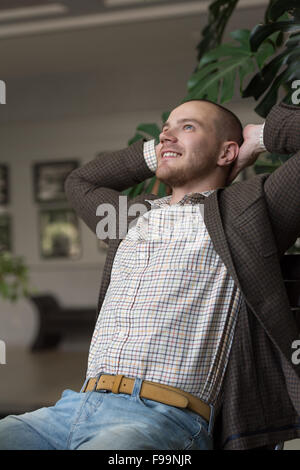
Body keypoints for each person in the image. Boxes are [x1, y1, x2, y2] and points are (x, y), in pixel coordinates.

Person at [0, 99, 299, 450]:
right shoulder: (130, 217)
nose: (167, 135)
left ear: (226, 152)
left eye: (188, 127)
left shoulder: (250, 213)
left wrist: (259, 137)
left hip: (163, 418)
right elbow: (80, 181)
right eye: (165, 129)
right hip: (71, 409)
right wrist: (159, 151)